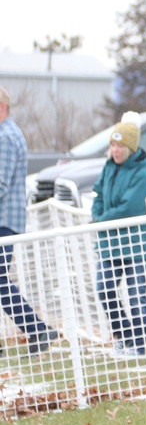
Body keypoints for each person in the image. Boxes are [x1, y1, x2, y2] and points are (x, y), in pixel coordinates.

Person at [91, 114, 146, 357]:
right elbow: (98, 194)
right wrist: (97, 212)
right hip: (111, 243)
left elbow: (129, 207)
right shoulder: (110, 166)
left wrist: (101, 219)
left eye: (120, 146)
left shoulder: (144, 174)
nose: (115, 150)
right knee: (104, 287)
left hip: (137, 245)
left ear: (130, 148)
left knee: (136, 294)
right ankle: (124, 335)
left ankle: (139, 345)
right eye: (113, 145)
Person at [0, 86, 59, 356]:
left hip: (4, 221)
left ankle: (38, 329)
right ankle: (37, 330)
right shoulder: (9, 134)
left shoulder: (5, 137)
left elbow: (0, 183)